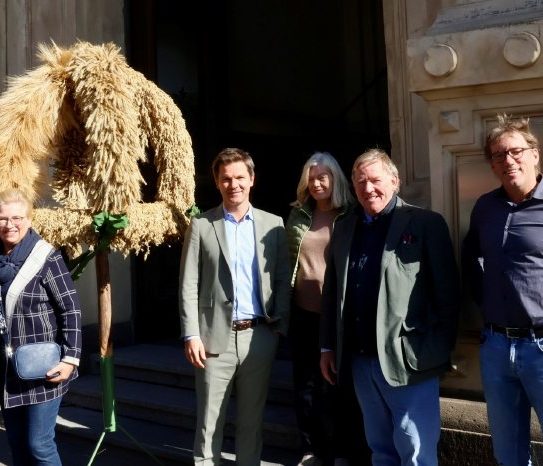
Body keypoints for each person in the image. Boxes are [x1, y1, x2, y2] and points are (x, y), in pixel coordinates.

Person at [319, 149, 459, 466]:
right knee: (380, 449)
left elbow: (447, 295)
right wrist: (328, 346)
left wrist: (435, 349)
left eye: (375, 180)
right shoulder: (344, 229)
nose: (368, 189)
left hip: (410, 361)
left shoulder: (426, 224)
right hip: (360, 361)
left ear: (394, 181)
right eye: (360, 182)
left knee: (416, 452)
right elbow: (331, 293)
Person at [179, 147, 291, 466]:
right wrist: (191, 334)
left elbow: (283, 277)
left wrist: (278, 326)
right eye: (226, 179)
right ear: (217, 182)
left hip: (259, 337)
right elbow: (188, 283)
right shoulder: (201, 225)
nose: (234, 185)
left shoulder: (274, 224)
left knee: (251, 423)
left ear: (252, 179)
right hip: (213, 339)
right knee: (208, 423)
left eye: (240, 177)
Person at [462, 114, 543, 465]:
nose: (508, 161)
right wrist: (485, 301)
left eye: (515, 151)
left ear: (534, 154)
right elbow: (469, 255)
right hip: (497, 346)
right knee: (508, 452)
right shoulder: (486, 207)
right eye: (498, 156)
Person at [0, 189, 82, 466]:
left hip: (42, 368)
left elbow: (70, 308)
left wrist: (71, 359)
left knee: (39, 444)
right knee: (18, 444)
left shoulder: (46, 257)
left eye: (17, 218)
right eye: (2, 219)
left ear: (29, 218)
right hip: (5, 369)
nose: (9, 224)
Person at [285, 152, 368, 466]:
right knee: (306, 385)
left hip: (341, 315)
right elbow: (285, 265)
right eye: (312, 177)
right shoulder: (298, 215)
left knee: (339, 384)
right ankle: (312, 449)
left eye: (323, 176)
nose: (317, 183)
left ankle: (343, 450)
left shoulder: (352, 214)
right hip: (304, 313)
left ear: (335, 179)